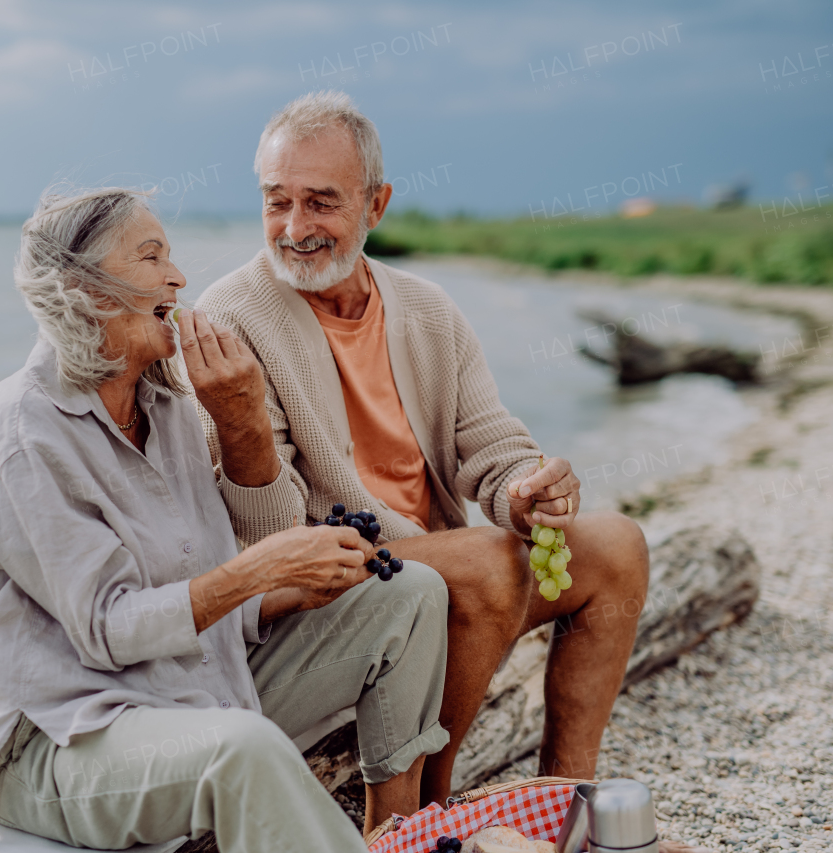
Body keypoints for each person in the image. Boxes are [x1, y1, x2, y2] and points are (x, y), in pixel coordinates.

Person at [0, 187, 451, 851]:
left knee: (408, 594)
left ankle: (397, 834)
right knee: (242, 749)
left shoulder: (169, 403)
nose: (178, 276)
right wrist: (256, 570)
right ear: (86, 290)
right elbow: (108, 630)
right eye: (152, 257)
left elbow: (197, 586)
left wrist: (284, 585)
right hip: (58, 738)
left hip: (184, 685)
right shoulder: (21, 428)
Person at [191, 91, 651, 809]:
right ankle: (426, 812)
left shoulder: (428, 308)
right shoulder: (229, 320)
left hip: (451, 571)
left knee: (618, 545)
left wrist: (527, 489)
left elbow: (493, 447)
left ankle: (566, 793)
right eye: (276, 201)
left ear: (376, 205)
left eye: (321, 202)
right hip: (325, 589)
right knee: (488, 560)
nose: (295, 227)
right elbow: (264, 534)